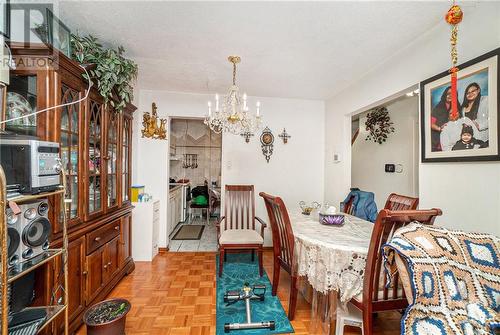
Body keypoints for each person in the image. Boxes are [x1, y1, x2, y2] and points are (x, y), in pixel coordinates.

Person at [431, 86, 460, 151]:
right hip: (438, 142)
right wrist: (440, 128)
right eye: (448, 94)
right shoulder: (438, 107)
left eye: (453, 94)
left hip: (453, 141)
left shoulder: (457, 106)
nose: (450, 96)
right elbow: (430, 123)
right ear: (445, 95)